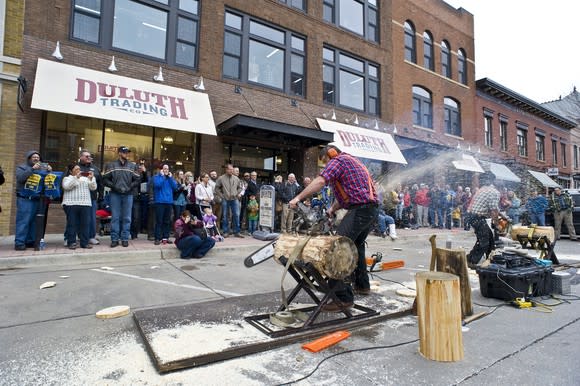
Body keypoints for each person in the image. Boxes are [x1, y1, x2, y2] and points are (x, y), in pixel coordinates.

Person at [289, 145, 379, 312]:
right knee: (356, 246)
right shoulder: (351, 162)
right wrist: (332, 209)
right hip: (370, 209)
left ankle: (343, 298)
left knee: (337, 247)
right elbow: (351, 193)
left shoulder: (338, 160)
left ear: (330, 154)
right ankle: (362, 285)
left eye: (325, 163)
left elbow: (321, 180)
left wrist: (298, 198)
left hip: (360, 209)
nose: (325, 167)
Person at [102, 146, 140, 248]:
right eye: (124, 152)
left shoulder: (132, 166)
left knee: (127, 218)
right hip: (115, 194)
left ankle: (124, 239)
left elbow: (137, 180)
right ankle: (114, 239)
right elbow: (105, 179)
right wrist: (114, 186)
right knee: (115, 217)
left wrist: (130, 187)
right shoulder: (111, 165)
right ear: (119, 153)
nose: (127, 154)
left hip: (128, 194)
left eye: (128, 152)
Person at [14, 151, 52, 250]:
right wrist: (32, 169)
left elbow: (48, 182)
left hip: (37, 199)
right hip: (25, 199)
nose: (36, 159)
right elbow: (21, 178)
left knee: (34, 222)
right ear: (29, 158)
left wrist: (49, 172)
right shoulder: (22, 168)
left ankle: (30, 241)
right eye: (34, 157)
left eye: (38, 157)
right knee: (23, 221)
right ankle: (19, 243)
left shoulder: (42, 169)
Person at [466, 172, 500, 268]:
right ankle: (471, 261)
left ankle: (491, 259)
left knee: (489, 238)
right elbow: (493, 210)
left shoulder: (482, 189)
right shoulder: (494, 192)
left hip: (472, 215)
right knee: (484, 241)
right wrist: (496, 224)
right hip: (477, 217)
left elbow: (491, 208)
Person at [61, 163, 97, 249]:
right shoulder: (67, 178)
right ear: (70, 171)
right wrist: (76, 178)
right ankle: (71, 242)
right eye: (76, 169)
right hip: (71, 204)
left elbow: (93, 187)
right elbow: (67, 187)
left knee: (85, 224)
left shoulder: (86, 178)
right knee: (72, 224)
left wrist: (91, 178)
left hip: (85, 203)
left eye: (79, 169)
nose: (79, 171)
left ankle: (84, 243)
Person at [78, 149, 102, 245]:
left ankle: (91, 236)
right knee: (78, 218)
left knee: (91, 218)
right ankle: (79, 236)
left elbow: (100, 183)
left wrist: (101, 195)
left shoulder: (95, 169)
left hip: (92, 198)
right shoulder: (76, 168)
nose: (89, 158)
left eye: (89, 156)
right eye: (86, 156)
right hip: (78, 198)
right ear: (81, 157)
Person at [214, 163, 244, 238]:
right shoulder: (221, 178)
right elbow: (216, 188)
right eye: (230, 169)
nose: (231, 171)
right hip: (225, 199)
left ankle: (237, 232)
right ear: (226, 169)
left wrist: (237, 193)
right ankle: (225, 231)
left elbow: (240, 187)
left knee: (236, 215)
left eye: (232, 169)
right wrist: (222, 196)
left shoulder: (236, 178)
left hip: (235, 199)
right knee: (225, 216)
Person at [152, 164, 178, 245]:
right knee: (159, 221)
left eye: (167, 169)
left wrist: (170, 178)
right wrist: (163, 177)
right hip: (160, 202)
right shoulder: (157, 177)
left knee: (167, 221)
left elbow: (175, 187)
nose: (166, 170)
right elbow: (158, 185)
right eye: (164, 169)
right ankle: (157, 238)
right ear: (161, 170)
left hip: (169, 202)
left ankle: (165, 237)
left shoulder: (170, 178)